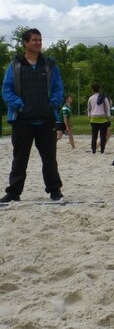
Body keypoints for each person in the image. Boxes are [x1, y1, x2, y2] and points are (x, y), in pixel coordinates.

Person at [1, 28, 64, 203]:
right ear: (25, 43)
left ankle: (55, 190)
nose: (38, 43)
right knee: (20, 159)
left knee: (49, 159)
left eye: (40, 40)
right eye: (34, 40)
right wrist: (19, 105)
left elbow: (58, 87)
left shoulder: (49, 64)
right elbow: (6, 90)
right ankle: (14, 192)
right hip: (22, 120)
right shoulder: (15, 65)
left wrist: (53, 102)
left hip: (46, 119)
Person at [87, 83, 111, 154]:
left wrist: (90, 116)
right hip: (103, 119)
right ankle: (102, 150)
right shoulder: (104, 98)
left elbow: (89, 109)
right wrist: (108, 118)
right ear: (99, 89)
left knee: (94, 136)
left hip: (94, 119)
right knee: (103, 136)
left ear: (92, 90)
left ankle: (93, 150)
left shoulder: (90, 98)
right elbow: (107, 108)